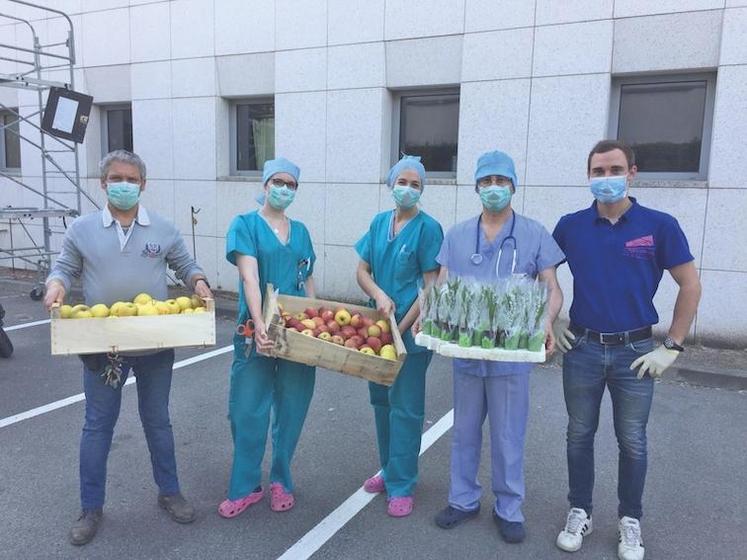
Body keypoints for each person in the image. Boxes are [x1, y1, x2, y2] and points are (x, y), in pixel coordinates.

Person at [44, 150, 213, 546]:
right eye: (116, 178)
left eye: (131, 179)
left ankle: (169, 492)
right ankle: (91, 508)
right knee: (97, 426)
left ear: (143, 184)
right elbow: (65, 269)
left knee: (158, 421)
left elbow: (185, 265)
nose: (124, 184)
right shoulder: (82, 230)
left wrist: (200, 283)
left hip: (154, 342)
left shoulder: (163, 229)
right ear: (103, 184)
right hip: (102, 345)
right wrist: (55, 288)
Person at [552, 140, 702, 560]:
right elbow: (541, 274)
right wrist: (551, 320)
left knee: (632, 440)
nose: (606, 178)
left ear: (632, 172)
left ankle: (629, 519)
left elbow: (690, 285)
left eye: (614, 169)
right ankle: (579, 510)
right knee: (579, 434)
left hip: (635, 351)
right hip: (581, 346)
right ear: (588, 176)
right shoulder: (570, 226)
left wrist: (671, 346)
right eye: (598, 171)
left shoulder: (659, 225)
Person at [433, 150, 564, 544]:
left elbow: (551, 288)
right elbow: (442, 285)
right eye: (486, 181)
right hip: (469, 349)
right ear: (476, 187)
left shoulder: (534, 233)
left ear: (513, 186)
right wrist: (434, 318)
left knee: (509, 433)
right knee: (466, 429)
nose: (494, 189)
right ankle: (463, 500)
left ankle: (508, 507)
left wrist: (546, 321)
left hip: (511, 352)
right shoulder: (457, 235)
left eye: (501, 181)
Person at [218, 157, 317, 518]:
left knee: (291, 409)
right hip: (253, 333)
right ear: (264, 185)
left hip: (297, 335)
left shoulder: (302, 231)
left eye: (291, 185)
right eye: (278, 182)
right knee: (246, 410)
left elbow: (307, 281)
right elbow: (249, 278)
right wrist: (259, 324)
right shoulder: (245, 225)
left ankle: (281, 480)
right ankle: (246, 486)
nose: (284, 189)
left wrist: (316, 328)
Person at [355, 155, 443, 517]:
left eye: (415, 184)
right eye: (402, 181)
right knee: (381, 403)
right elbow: (362, 270)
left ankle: (403, 483)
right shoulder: (379, 223)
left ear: (421, 189)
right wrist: (377, 295)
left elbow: (431, 286)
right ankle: (389, 469)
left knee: (406, 409)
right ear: (391, 184)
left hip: (408, 332)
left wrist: (399, 331)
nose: (408, 189)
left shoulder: (429, 228)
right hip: (376, 332)